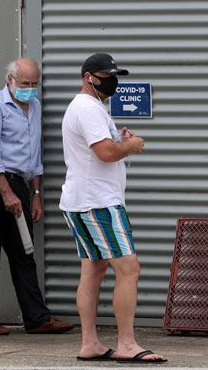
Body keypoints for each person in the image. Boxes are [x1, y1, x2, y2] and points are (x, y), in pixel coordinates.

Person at [60, 53, 166, 363]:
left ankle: (90, 343)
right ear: (88, 76)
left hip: (81, 200)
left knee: (93, 269)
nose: (113, 81)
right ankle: (127, 344)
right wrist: (130, 146)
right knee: (129, 269)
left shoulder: (85, 108)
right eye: (107, 75)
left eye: (115, 75)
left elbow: (99, 148)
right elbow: (106, 153)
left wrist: (119, 139)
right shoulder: (88, 108)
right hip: (99, 203)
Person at [0, 58, 73, 335]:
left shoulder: (35, 106)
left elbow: (34, 154)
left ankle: (37, 318)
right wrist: (6, 193)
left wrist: (36, 194)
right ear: (10, 80)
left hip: (21, 187)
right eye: (25, 84)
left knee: (23, 253)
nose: (30, 89)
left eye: (34, 84)